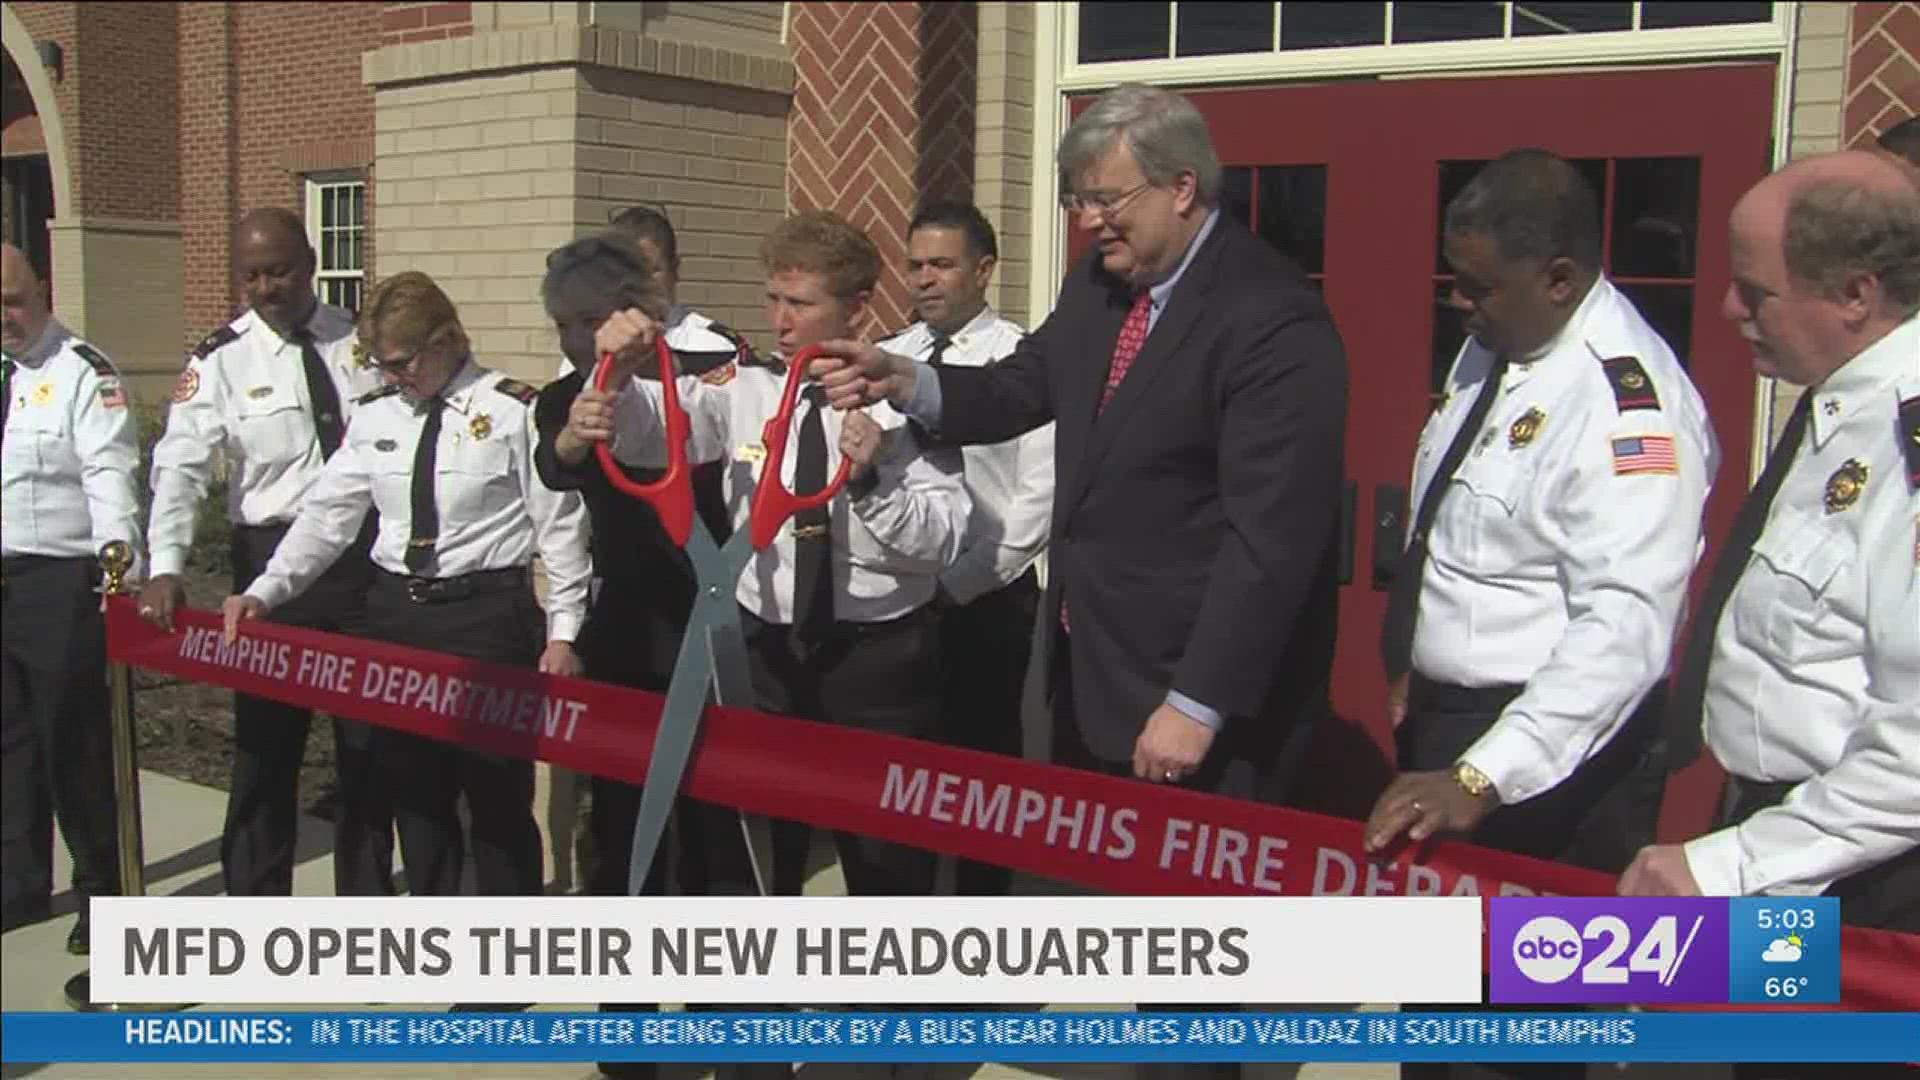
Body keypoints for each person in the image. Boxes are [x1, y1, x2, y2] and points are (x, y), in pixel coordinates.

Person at [813, 82, 1345, 808]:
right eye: (1080, 202)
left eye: (1107, 199)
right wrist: (903, 378)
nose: (1091, 221)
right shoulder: (1100, 283)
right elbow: (1020, 387)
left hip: (1199, 709)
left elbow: (1272, 541)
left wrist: (1197, 702)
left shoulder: (1271, 320)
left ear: (1181, 187)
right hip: (1093, 677)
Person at [561, 209, 969, 900]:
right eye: (772, 300)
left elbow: (944, 540)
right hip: (761, 661)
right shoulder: (743, 388)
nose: (779, 320)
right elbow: (656, 433)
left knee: (886, 873)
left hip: (875, 669)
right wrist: (619, 380)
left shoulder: (907, 405)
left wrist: (870, 480)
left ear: (857, 306)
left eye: (800, 304)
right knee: (745, 871)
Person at [1361, 150, 1718, 874]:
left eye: (1479, 287)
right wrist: (1416, 663)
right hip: (1451, 729)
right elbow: (1453, 529)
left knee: (1536, 977)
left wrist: (1481, 776)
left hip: (1554, 759)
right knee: (1447, 979)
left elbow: (1623, 628)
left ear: (1559, 279)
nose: (1458, 302)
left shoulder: (1626, 413)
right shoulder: (1497, 340)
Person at [223, 271, 590, 924]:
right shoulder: (374, 417)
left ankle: (513, 956)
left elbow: (559, 528)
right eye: (381, 365)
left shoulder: (513, 409)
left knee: (497, 797)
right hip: (396, 618)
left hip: (485, 622)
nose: (393, 377)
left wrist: (563, 633)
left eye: (402, 363)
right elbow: (327, 517)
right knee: (416, 798)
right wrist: (265, 591)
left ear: (446, 339)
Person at [1621, 151, 1919, 957]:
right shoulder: (1838, 412)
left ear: (1856, 295)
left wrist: (1731, 865)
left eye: (1756, 291)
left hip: (1872, 888)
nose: (1726, 307)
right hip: (1790, 842)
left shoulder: (1905, 445)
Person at [142, 207, 394, 899]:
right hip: (269, 568)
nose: (264, 287)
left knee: (368, 750)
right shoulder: (221, 359)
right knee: (265, 749)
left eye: (277, 271)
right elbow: (180, 467)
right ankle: (255, 909)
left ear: (310, 262)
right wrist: (165, 562)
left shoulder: (358, 341)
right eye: (250, 275)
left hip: (360, 567)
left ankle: (368, 915)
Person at [537, 213, 749, 903]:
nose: (578, 338)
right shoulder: (564, 399)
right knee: (626, 835)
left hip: (715, 635)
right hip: (629, 639)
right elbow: (560, 458)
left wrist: (625, 386)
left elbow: (670, 434)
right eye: (564, 323)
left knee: (716, 840)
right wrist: (579, 428)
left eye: (591, 318)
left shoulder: (709, 373)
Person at [881, 200, 1052, 897]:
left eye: (942, 265)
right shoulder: (892, 358)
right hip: (900, 603)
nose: (924, 279)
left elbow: (1037, 498)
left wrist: (962, 585)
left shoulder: (1021, 362)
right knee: (908, 782)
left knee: (984, 782)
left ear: (984, 270)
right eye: (916, 264)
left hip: (986, 599)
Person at [0, 242, 139, 954]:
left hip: (60, 583)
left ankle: (103, 894)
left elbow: (109, 473)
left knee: (74, 749)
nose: (5, 318)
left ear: (44, 290)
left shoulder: (85, 373)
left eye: (14, 300)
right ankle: (18, 885)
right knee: (10, 747)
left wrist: (119, 566)